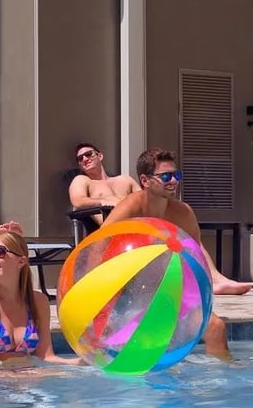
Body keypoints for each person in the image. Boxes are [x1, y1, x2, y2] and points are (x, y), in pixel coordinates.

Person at [102, 148, 238, 358]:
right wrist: (102, 307)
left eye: (176, 175)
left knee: (216, 328)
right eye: (165, 176)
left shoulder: (182, 213)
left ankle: (223, 374)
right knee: (140, 344)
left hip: (170, 291)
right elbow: (98, 247)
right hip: (131, 295)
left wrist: (199, 296)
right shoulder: (129, 210)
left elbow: (195, 254)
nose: (173, 180)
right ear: (145, 180)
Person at [0, 228, 84, 368]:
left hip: (29, 377)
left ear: (21, 261)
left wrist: (80, 362)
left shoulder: (38, 301)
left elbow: (46, 356)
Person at [68, 143, 141, 226]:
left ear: (100, 156)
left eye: (88, 154)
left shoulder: (126, 180)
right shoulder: (82, 180)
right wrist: (103, 202)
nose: (85, 159)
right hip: (113, 229)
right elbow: (78, 201)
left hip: (138, 226)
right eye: (80, 158)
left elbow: (145, 200)